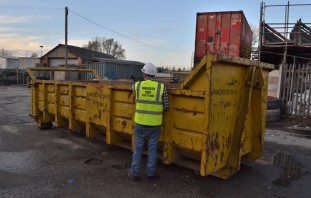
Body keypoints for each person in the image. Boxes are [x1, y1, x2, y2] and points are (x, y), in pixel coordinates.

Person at [129, 63, 169, 182]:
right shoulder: (162, 87)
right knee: (152, 150)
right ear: (154, 75)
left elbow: (132, 87)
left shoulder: (137, 85)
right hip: (154, 126)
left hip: (140, 124)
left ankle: (134, 174)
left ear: (144, 73)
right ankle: (150, 175)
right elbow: (166, 106)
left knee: (137, 150)